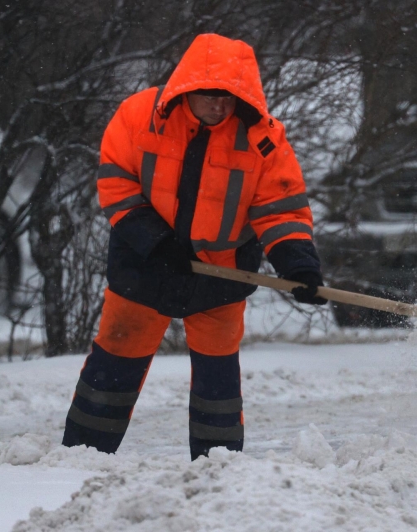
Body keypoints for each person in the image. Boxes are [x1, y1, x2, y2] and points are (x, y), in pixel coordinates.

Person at [62, 33, 327, 460]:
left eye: (229, 97)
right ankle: (79, 457)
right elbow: (116, 182)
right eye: (209, 95)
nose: (219, 106)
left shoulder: (263, 140)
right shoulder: (139, 115)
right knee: (114, 364)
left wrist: (298, 265)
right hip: (144, 266)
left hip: (220, 274)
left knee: (217, 384)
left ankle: (217, 467)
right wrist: (156, 242)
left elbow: (281, 211)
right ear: (186, 88)